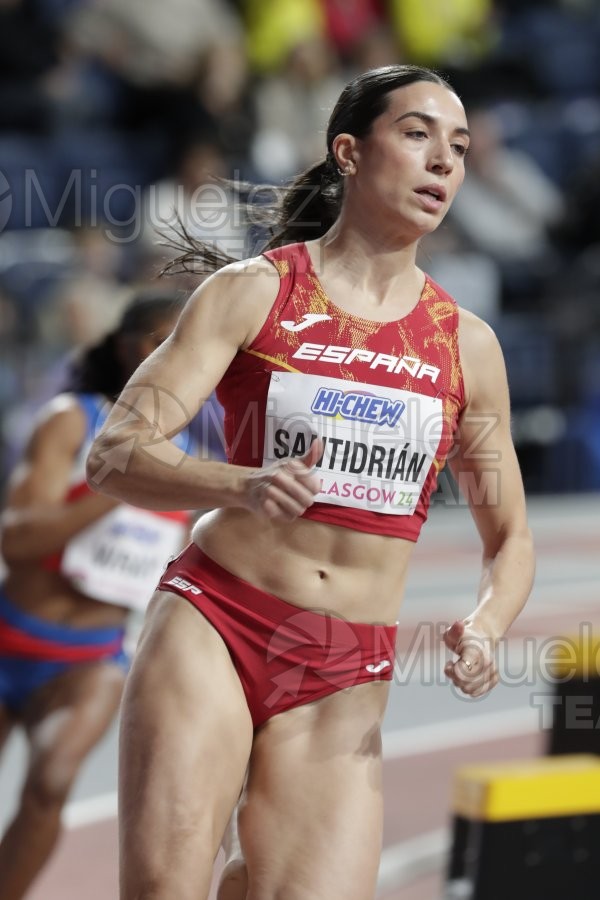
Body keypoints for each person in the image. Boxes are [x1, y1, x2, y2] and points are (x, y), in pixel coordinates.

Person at [87, 64, 535, 900]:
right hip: (218, 620)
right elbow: (115, 452)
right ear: (350, 152)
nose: (444, 161)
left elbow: (507, 537)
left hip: (342, 669)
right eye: (417, 134)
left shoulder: (466, 346)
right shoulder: (253, 293)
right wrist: (241, 485)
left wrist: (486, 622)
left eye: (461, 148)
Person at [0, 290, 193, 900]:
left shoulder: (193, 458)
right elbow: (17, 541)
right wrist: (115, 481)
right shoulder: (70, 419)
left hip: (91, 659)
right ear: (126, 348)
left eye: (181, 340)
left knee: (52, 782)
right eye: (155, 338)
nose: (167, 353)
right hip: (12, 636)